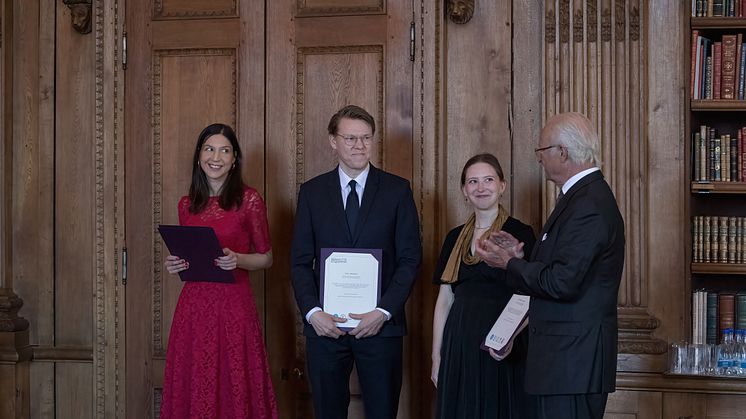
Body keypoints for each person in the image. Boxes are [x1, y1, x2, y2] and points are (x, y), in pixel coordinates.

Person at [475, 112, 625, 419]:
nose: (539, 159)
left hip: (572, 363)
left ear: (563, 152)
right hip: (565, 364)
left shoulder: (588, 205)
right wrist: (518, 260)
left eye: (541, 151)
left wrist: (510, 265)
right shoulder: (580, 198)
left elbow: (562, 282)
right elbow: (562, 270)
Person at [290, 105, 422, 419]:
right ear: (333, 141)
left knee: (382, 412)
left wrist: (384, 311)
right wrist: (312, 313)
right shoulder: (312, 193)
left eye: (365, 138)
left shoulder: (397, 191)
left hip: (380, 326)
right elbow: (299, 262)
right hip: (325, 327)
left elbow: (410, 259)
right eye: (350, 138)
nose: (359, 146)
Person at [160, 123, 278, 418]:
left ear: (235, 158)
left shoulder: (250, 200)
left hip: (233, 306)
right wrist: (176, 263)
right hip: (194, 308)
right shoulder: (187, 205)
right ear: (199, 156)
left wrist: (238, 259)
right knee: (195, 380)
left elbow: (266, 258)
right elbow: (190, 255)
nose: (216, 157)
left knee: (233, 379)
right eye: (209, 149)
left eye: (224, 150)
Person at [431, 153, 536, 419]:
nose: (481, 187)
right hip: (459, 341)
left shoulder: (521, 233)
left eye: (488, 180)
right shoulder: (454, 237)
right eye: (473, 181)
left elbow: (533, 293)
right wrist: (437, 357)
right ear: (464, 191)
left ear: (502, 186)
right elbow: (445, 299)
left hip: (503, 341)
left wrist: (509, 338)